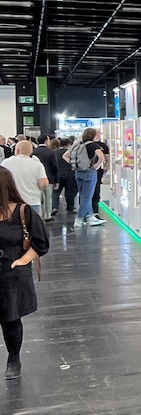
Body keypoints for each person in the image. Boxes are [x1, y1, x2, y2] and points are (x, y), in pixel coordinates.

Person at [0, 168, 49, 379]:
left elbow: (40, 242)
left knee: (10, 319)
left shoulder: (23, 212)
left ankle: (13, 359)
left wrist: (22, 260)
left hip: (11, 275)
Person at [64, 127, 105, 227]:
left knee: (84, 196)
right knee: (87, 197)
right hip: (89, 172)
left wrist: (75, 164)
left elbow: (65, 156)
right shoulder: (94, 145)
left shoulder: (77, 144)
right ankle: (79, 218)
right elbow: (102, 157)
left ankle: (90, 217)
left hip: (78, 172)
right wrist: (96, 166)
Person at [2, 141, 49, 214]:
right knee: (33, 221)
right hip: (32, 201)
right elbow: (44, 184)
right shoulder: (37, 165)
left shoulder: (6, 163)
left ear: (17, 150)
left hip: (11, 203)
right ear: (31, 152)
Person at [33, 136, 58, 220]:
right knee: (48, 198)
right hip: (48, 178)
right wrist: (56, 180)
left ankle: (38, 216)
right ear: (46, 141)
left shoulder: (33, 151)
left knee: (37, 198)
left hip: (36, 178)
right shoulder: (50, 152)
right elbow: (54, 167)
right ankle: (47, 215)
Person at [87, 129, 110, 218]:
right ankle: (86, 213)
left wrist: (104, 169)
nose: (98, 134)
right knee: (86, 192)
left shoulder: (103, 146)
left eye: (99, 133)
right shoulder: (86, 145)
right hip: (87, 170)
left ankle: (94, 212)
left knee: (96, 190)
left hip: (97, 171)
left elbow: (107, 158)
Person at [55, 137, 77, 219]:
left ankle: (55, 207)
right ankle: (70, 207)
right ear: (69, 144)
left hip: (58, 175)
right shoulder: (71, 152)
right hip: (70, 175)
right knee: (69, 192)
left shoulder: (54, 152)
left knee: (56, 192)